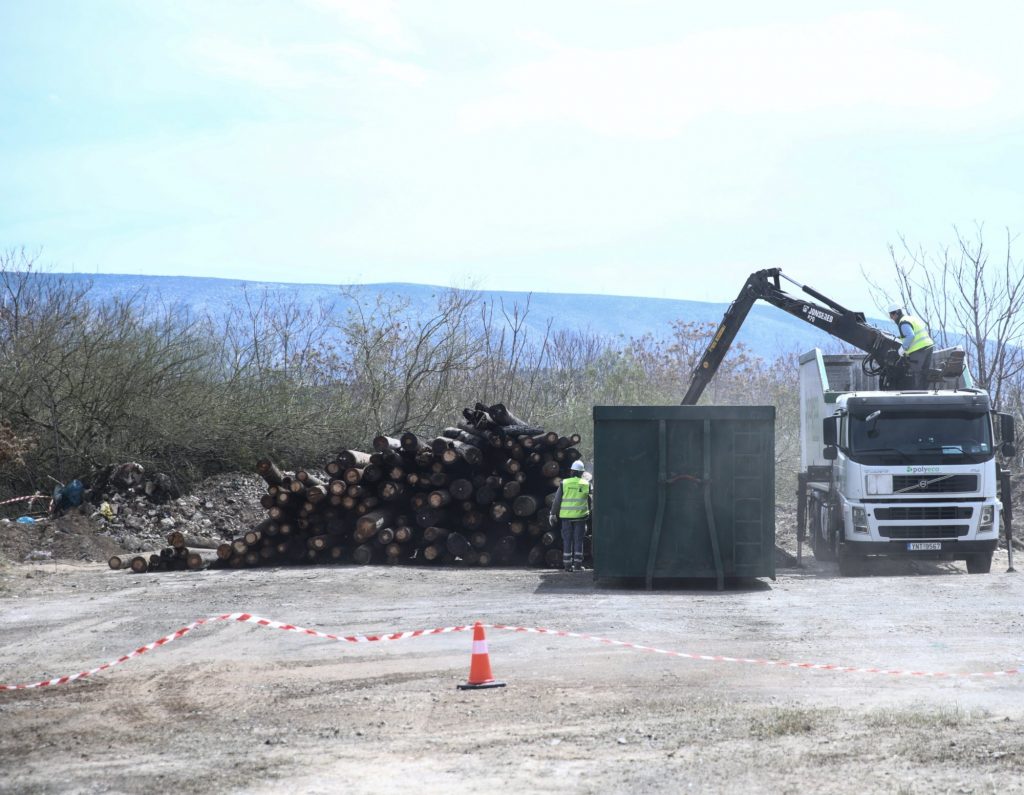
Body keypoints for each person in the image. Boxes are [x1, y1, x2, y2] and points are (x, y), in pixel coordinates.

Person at [549, 459, 592, 572]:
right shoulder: (586, 484)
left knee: (567, 540)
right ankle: (578, 565)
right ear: (582, 472)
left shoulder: (564, 483)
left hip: (566, 517)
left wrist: (552, 513)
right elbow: (590, 499)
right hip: (581, 517)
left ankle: (567, 565)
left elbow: (557, 500)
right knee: (579, 540)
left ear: (572, 471)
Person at [887, 302, 935, 389]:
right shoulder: (910, 318)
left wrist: (902, 349)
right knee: (924, 373)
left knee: (916, 375)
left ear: (897, 313)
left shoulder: (903, 322)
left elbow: (910, 335)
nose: (892, 318)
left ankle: (917, 397)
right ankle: (924, 395)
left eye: (892, 315)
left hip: (919, 350)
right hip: (928, 346)